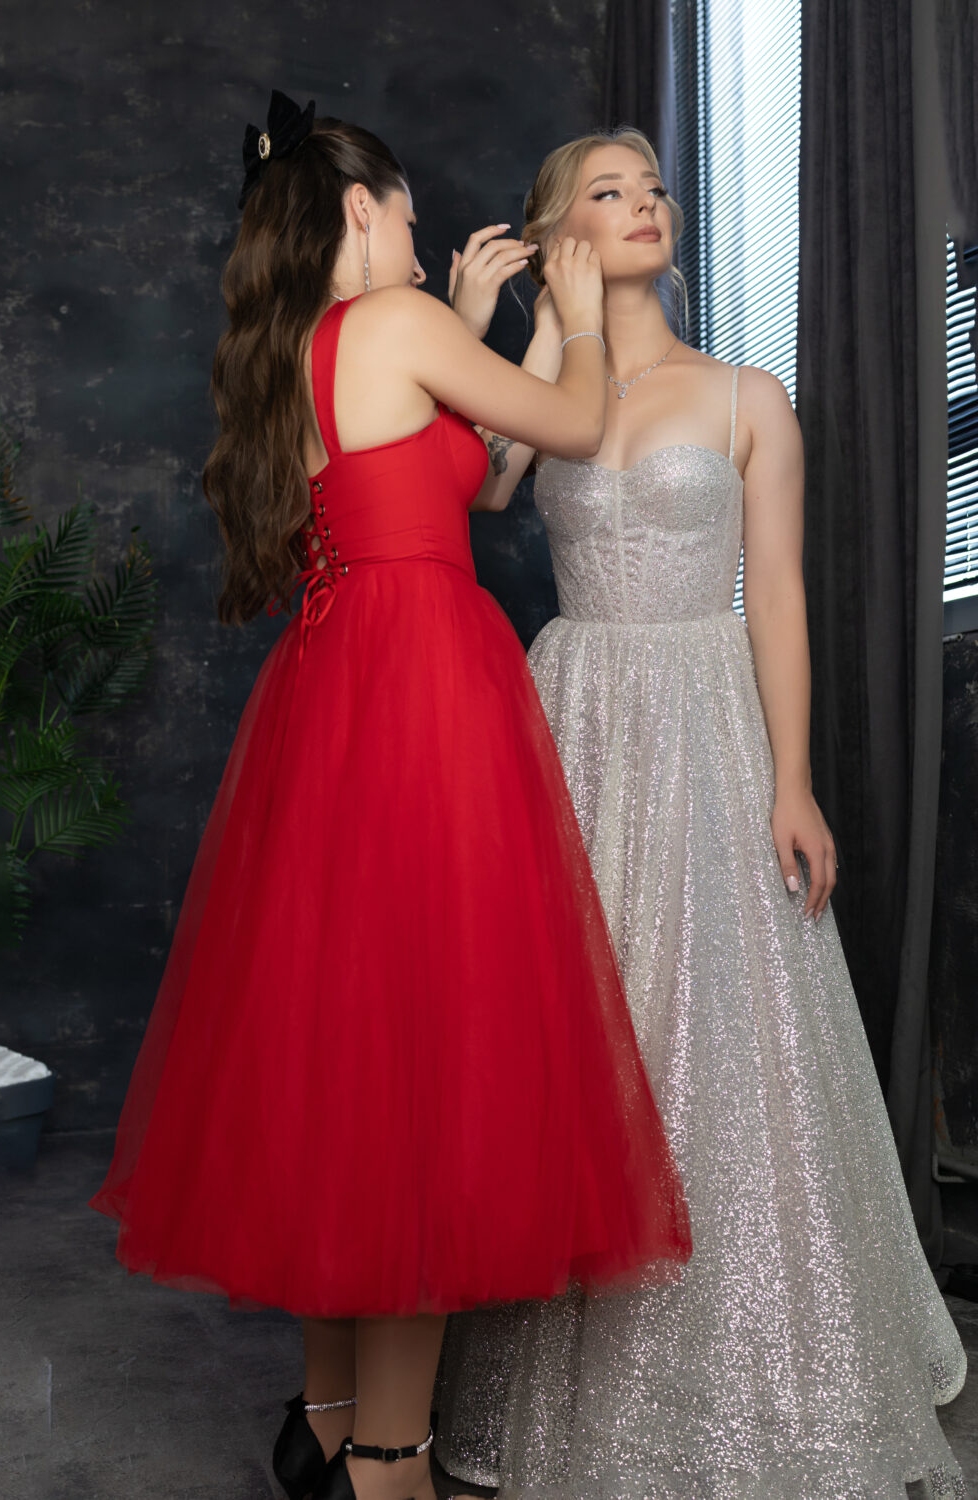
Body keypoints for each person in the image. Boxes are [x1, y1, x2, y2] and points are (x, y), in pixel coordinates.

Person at [89, 97, 691, 1500]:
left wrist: (484, 327)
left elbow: (462, 481)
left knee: (345, 1070)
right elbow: (579, 426)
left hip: (333, 697)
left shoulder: (299, 352)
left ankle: (326, 1418)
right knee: (421, 1077)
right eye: (412, 217)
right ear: (359, 211)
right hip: (422, 692)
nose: (425, 243)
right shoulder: (400, 326)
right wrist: (577, 313)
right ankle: (391, 1465)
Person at [436, 129, 968, 1499]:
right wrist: (525, 327)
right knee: (584, 1022)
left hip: (707, 717)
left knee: (723, 1030)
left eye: (655, 189)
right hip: (576, 720)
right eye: (608, 194)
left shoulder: (746, 396)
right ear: (560, 232)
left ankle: (770, 1355)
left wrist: (793, 779)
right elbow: (473, 489)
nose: (647, 207)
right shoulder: (542, 387)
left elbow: (775, 594)